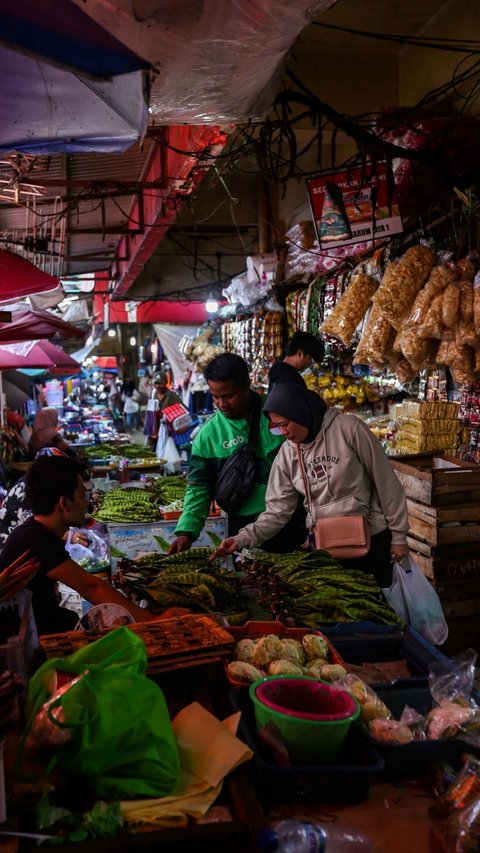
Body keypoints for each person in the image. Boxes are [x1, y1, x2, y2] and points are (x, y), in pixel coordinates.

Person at [219, 382, 409, 587]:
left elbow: (387, 483)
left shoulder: (348, 428)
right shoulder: (287, 453)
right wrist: (241, 539)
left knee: (379, 610)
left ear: (300, 413)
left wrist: (399, 537)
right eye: (277, 426)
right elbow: (277, 511)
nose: (282, 432)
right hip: (326, 548)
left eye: (285, 424)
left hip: (372, 541)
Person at [0, 455, 187, 634]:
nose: (87, 503)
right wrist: (154, 621)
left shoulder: (39, 532)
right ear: (64, 503)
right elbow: (91, 587)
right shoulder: (34, 538)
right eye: (82, 496)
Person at [169, 353, 306, 555]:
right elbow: (198, 488)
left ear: (246, 385)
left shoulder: (280, 412)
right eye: (215, 396)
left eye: (228, 395)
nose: (222, 403)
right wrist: (186, 532)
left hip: (294, 520)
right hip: (242, 528)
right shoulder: (208, 437)